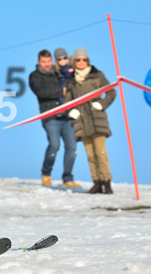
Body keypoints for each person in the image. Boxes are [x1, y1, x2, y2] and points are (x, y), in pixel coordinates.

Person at [66, 47, 116, 194]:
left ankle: (106, 182)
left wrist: (102, 104)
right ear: (74, 62)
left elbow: (111, 92)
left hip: (97, 119)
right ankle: (97, 182)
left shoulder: (97, 75)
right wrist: (71, 111)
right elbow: (67, 101)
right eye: (78, 59)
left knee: (100, 152)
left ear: (88, 61)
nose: (81, 62)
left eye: (84, 59)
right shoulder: (71, 81)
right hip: (82, 122)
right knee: (90, 155)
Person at [28, 50, 79, 187]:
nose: (46, 64)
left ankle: (68, 178)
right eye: (44, 62)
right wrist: (60, 92)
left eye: (49, 61)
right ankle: (46, 173)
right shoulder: (35, 76)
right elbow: (40, 92)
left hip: (67, 115)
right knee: (54, 145)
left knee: (72, 147)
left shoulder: (59, 73)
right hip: (50, 116)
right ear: (39, 62)